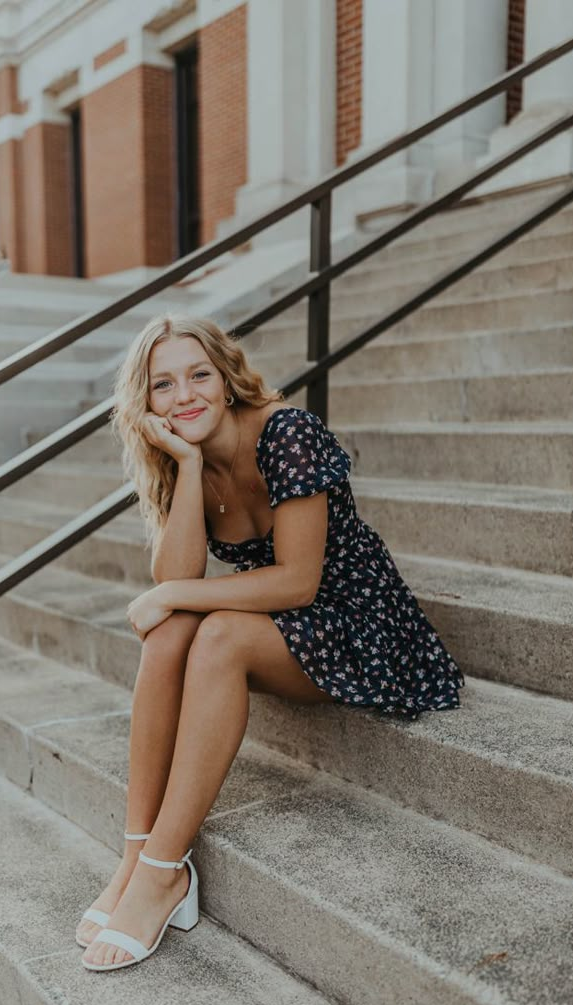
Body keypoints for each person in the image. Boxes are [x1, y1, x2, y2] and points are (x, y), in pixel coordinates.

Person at [77, 313, 464, 971]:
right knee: (173, 633)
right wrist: (189, 465)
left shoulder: (288, 434)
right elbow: (174, 580)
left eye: (199, 374)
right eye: (163, 385)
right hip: (294, 629)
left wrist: (173, 596)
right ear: (146, 406)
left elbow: (296, 581)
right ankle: (135, 853)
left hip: (364, 630)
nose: (186, 395)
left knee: (217, 634)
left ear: (227, 379)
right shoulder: (187, 457)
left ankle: (165, 871)